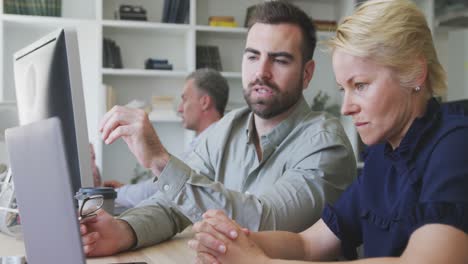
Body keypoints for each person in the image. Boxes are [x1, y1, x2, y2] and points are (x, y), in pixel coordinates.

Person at [189, 0, 468, 263]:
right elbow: (308, 243)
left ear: (415, 73)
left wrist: (259, 261)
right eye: (342, 89)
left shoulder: (456, 143)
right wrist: (232, 240)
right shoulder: (381, 158)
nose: (345, 107)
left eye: (360, 85)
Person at [80, 1, 356, 257]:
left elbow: (265, 221)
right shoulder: (226, 129)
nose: (262, 72)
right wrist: (125, 231)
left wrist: (161, 162)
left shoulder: (326, 144)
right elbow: (173, 205)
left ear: (307, 74)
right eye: (252, 57)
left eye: (280, 60)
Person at [102, 68, 230, 208]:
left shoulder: (210, 145)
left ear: (205, 102)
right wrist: (123, 189)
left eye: (184, 99)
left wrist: (112, 194)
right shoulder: (212, 139)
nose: (180, 109)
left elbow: (164, 189)